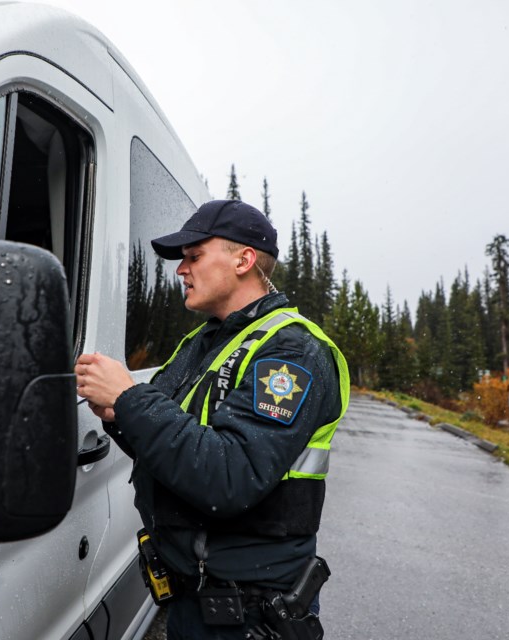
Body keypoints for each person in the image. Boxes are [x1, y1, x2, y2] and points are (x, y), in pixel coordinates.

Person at [75, 199, 349, 639]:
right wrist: (116, 415)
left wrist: (129, 398)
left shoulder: (292, 353)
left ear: (244, 259)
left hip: (251, 613)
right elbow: (171, 443)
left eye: (194, 257)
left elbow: (229, 477)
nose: (181, 270)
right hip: (194, 596)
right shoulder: (207, 340)